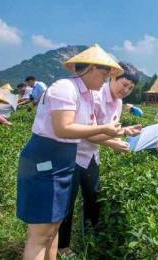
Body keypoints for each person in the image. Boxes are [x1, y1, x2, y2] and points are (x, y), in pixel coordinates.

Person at [16, 44, 125, 260]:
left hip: (64, 160)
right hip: (45, 161)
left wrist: (114, 135)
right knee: (40, 233)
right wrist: (105, 129)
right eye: (105, 73)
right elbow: (63, 129)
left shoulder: (86, 95)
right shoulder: (64, 88)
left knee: (54, 226)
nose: (106, 79)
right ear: (91, 68)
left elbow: (85, 133)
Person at [58, 62, 142, 254]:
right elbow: (87, 131)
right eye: (124, 84)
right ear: (113, 77)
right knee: (67, 203)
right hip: (74, 154)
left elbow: (109, 129)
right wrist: (113, 143)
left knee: (93, 197)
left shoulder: (119, 103)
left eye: (130, 88)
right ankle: (63, 246)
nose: (126, 90)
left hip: (92, 155)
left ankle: (92, 235)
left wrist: (124, 131)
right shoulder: (95, 95)